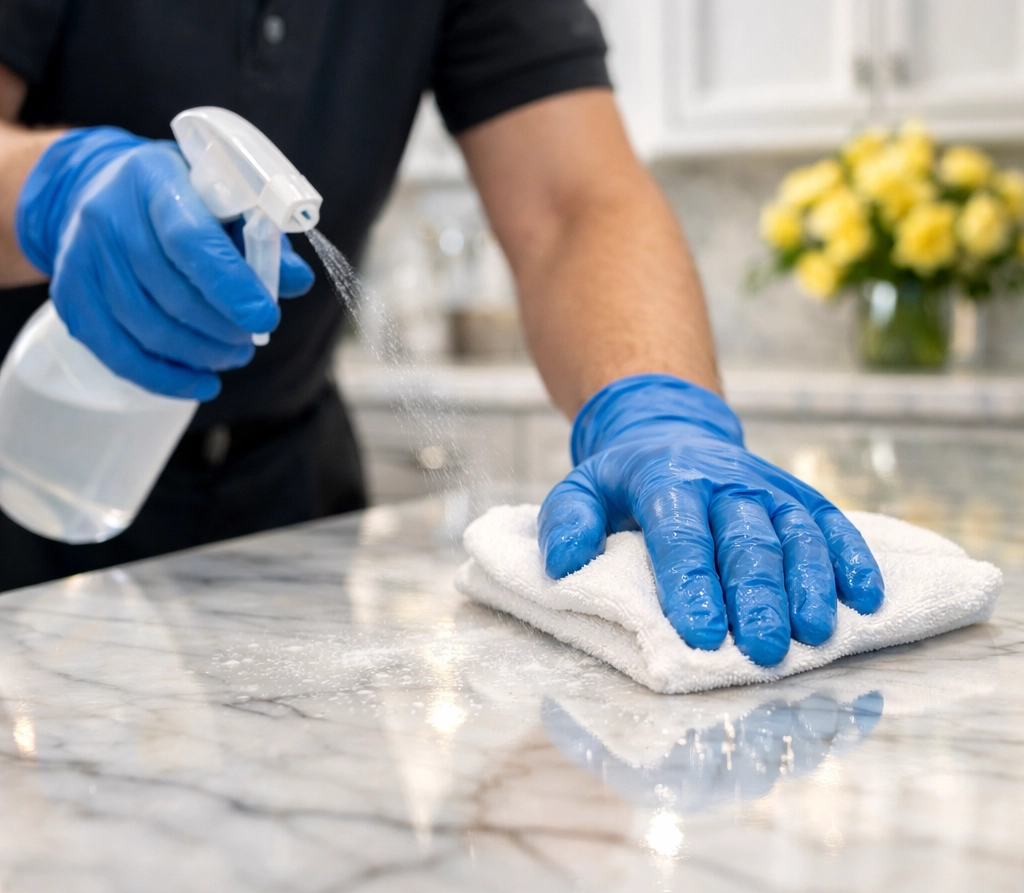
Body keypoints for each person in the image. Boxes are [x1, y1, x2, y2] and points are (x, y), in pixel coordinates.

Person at [0, 0, 883, 666]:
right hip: (30, 468)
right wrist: (59, 187)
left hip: (284, 489)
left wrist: (657, 405)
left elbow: (575, 202)